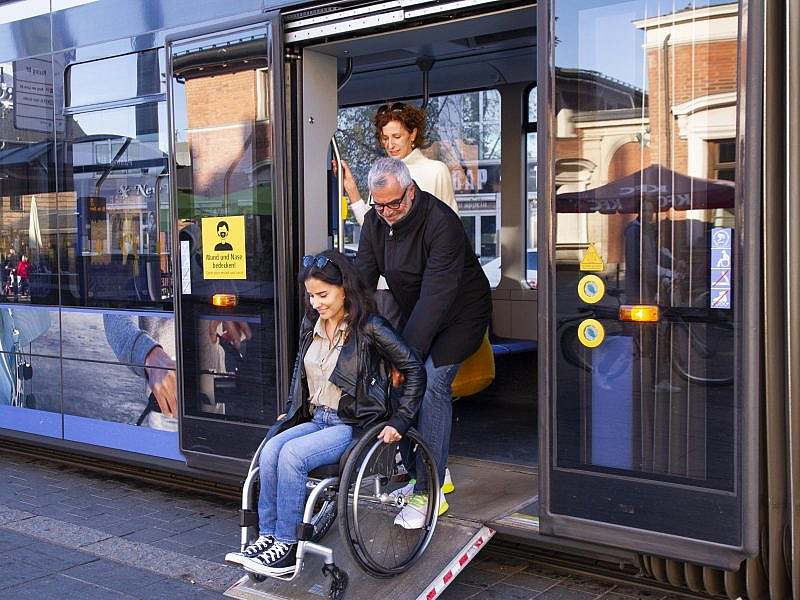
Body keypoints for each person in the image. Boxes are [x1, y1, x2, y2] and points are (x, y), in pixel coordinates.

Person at [225, 249, 425, 578]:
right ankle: (268, 538)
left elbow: (413, 368)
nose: (316, 303)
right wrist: (291, 409)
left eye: (323, 294)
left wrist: (401, 419)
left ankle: (287, 547)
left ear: (344, 288)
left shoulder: (369, 327)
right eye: (311, 296)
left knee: (291, 455)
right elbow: (299, 371)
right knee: (272, 447)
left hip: (352, 423)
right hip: (316, 418)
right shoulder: (311, 324)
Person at [356, 158, 491, 529]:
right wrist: (338, 316)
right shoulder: (374, 222)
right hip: (419, 313)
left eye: (394, 204)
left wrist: (407, 360)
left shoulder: (440, 222)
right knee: (393, 379)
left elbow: (437, 296)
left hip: (461, 314)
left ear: (410, 191)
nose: (386, 213)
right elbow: (362, 280)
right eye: (378, 205)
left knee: (428, 383)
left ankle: (429, 491)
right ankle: (431, 470)